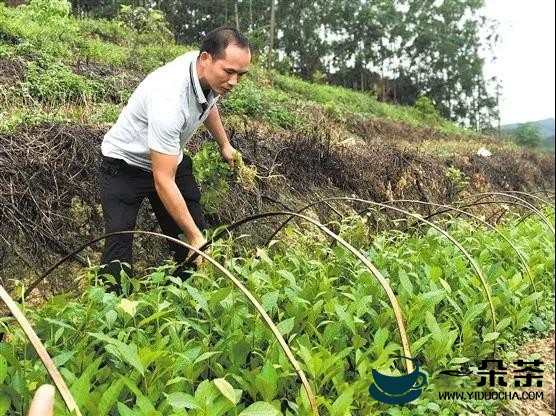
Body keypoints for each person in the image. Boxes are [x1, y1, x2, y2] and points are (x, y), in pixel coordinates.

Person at [99, 27, 251, 285]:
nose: (234, 81)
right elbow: (163, 180)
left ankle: (181, 302)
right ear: (206, 59)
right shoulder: (169, 97)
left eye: (241, 74)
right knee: (119, 248)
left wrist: (224, 144)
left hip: (168, 160)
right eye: (229, 72)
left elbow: (208, 104)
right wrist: (194, 237)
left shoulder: (207, 74)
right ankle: (111, 312)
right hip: (124, 166)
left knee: (191, 240)